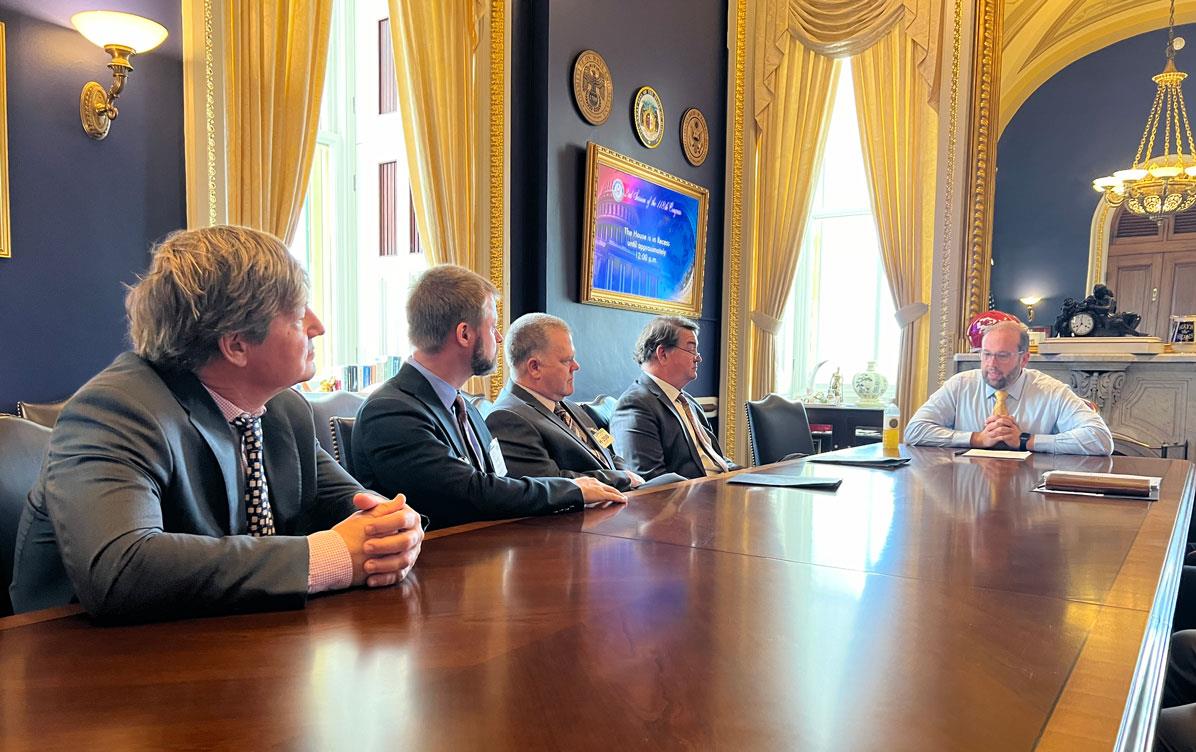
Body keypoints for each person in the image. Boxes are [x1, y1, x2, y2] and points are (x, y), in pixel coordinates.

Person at [8, 226, 423, 622]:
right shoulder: (115, 410)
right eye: (298, 316)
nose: (318, 326)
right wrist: (327, 557)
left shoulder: (282, 410)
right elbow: (121, 569)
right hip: (81, 665)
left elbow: (358, 508)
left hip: (232, 648)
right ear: (237, 344)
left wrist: (393, 528)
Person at [352, 265, 626, 529]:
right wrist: (573, 489)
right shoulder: (391, 411)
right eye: (492, 325)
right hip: (434, 568)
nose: (498, 336)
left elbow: (500, 479)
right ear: (465, 333)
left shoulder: (465, 408)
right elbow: (471, 493)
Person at [905, 320, 1113, 455]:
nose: (991, 364)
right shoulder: (961, 385)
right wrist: (976, 438)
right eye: (986, 354)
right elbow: (914, 430)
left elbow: (1100, 439)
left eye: (1002, 355)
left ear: (1024, 359)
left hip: (1030, 494)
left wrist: (1026, 440)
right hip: (968, 488)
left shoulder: (1051, 391)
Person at [485, 313, 643, 491]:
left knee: (673, 481)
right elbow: (551, 484)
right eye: (567, 360)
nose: (576, 366)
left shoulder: (570, 407)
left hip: (621, 501)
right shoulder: (508, 418)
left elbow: (607, 450)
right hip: (582, 515)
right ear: (535, 367)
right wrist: (621, 478)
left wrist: (626, 474)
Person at [611, 316, 738, 479]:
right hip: (692, 500)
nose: (698, 357)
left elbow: (715, 460)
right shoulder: (635, 404)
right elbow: (649, 481)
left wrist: (747, 473)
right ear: (662, 354)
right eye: (692, 349)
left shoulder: (689, 402)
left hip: (720, 489)